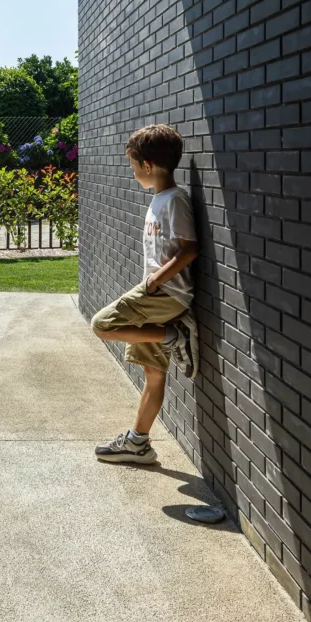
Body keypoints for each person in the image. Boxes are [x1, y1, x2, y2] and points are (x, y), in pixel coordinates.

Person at [91, 124, 199, 464]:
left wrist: (155, 282)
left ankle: (174, 334)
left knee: (102, 324)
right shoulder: (159, 199)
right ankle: (138, 442)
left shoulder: (175, 200)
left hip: (164, 294)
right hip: (158, 295)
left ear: (148, 165)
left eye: (134, 165)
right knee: (153, 374)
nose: (133, 171)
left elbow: (189, 249)